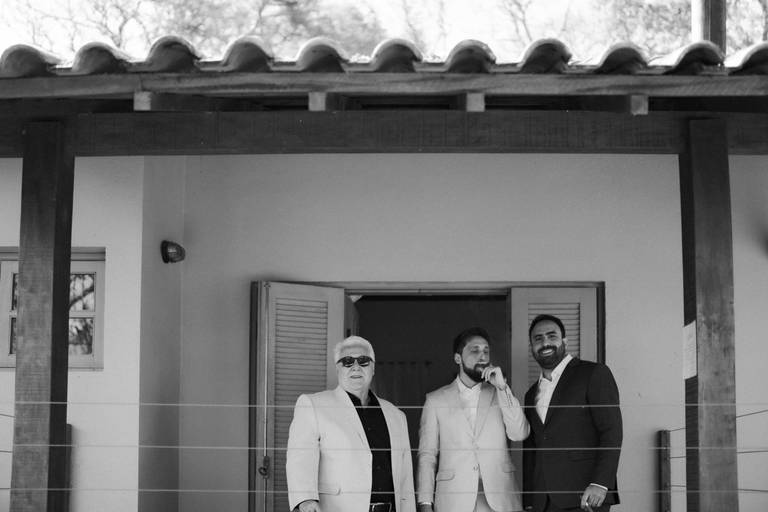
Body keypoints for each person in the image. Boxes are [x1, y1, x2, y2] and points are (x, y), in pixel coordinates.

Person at [286, 335, 416, 512]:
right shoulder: (313, 404)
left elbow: (405, 477)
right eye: (347, 361)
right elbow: (300, 457)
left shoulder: (397, 415)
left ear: (373, 368)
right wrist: (306, 499)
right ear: (338, 369)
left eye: (363, 361)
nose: (356, 367)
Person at [417, 327, 529, 512]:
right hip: (454, 502)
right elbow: (427, 455)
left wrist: (503, 388)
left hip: (501, 499)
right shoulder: (435, 400)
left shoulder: (501, 393)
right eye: (475, 350)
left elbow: (519, 434)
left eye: (486, 351)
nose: (482, 356)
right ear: (458, 358)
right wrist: (425, 503)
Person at [523, 314, 622, 512]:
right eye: (538, 339)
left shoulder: (593, 373)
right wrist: (529, 499)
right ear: (532, 347)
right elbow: (531, 449)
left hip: (586, 495)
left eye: (552, 336)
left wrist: (601, 483)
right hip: (544, 501)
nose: (545, 343)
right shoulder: (531, 394)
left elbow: (611, 431)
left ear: (565, 341)